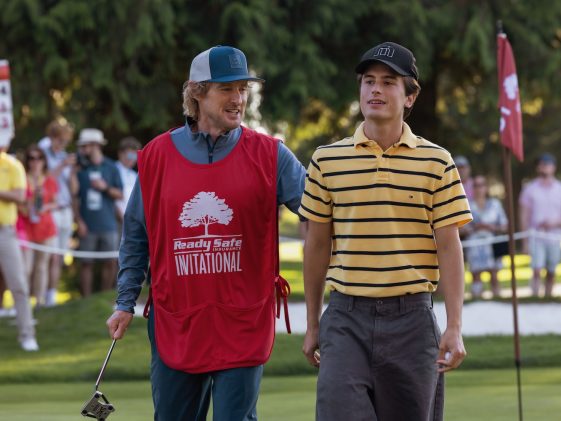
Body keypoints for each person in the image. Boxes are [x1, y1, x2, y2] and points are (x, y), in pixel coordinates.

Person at [106, 45, 306, 420]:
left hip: (244, 320)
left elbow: (321, 210)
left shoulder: (271, 155)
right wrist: (124, 302)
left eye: (243, 88)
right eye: (226, 89)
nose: (238, 98)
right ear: (197, 92)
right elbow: (136, 237)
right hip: (177, 320)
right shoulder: (155, 156)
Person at [299, 41, 472, 421]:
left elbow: (449, 247)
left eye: (388, 82)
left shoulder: (438, 162)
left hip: (413, 322)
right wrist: (312, 324)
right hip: (345, 318)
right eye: (369, 81)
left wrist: (455, 326)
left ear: (410, 97)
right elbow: (316, 246)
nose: (375, 89)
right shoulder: (326, 161)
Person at [73, 128, 123, 297]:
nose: (82, 149)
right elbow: (74, 197)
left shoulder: (111, 167)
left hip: (108, 223)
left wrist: (105, 187)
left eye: (85, 146)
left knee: (110, 261)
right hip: (87, 224)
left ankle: (105, 296)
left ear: (95, 146)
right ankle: (87, 300)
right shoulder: (80, 168)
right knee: (86, 263)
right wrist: (79, 221)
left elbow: (120, 194)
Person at [0, 141, 39, 351]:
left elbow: (20, 196)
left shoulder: (13, 165)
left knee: (19, 284)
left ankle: (27, 335)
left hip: (5, 231)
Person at [39, 120, 76, 307]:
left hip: (66, 208)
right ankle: (42, 295)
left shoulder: (63, 155)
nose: (63, 144)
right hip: (51, 210)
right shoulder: (43, 153)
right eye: (61, 140)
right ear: (53, 137)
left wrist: (73, 171)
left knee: (60, 256)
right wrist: (62, 165)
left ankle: (51, 296)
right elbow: (45, 179)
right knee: (50, 256)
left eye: (66, 140)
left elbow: (73, 189)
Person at [19, 145, 59, 306]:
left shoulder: (49, 180)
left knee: (42, 266)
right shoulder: (22, 179)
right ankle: (23, 302)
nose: (35, 162)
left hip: (46, 228)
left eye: (39, 158)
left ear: (44, 161)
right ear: (27, 161)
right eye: (31, 158)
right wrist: (29, 203)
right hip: (26, 228)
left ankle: (39, 301)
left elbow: (55, 202)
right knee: (26, 268)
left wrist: (45, 207)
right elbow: (19, 204)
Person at [519, 153, 561, 297]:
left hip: (554, 237)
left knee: (551, 270)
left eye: (547, 165)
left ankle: (548, 296)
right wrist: (524, 241)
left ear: (553, 167)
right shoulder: (530, 189)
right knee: (536, 269)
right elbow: (524, 216)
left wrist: (554, 222)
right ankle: (535, 296)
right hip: (536, 236)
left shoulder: (559, 188)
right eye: (542, 165)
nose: (544, 167)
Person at [462, 175, 508, 298]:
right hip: (474, 244)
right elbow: (461, 228)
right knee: (476, 275)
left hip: (492, 243)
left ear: (486, 187)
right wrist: (474, 228)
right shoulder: (466, 205)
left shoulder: (495, 204)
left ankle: (497, 300)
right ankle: (476, 300)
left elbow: (504, 225)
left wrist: (492, 227)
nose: (479, 188)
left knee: (494, 274)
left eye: (481, 185)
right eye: (476, 185)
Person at [115, 136, 142, 222]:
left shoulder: (134, 175)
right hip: (117, 219)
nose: (133, 159)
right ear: (120, 153)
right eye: (131, 155)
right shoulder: (113, 170)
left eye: (135, 156)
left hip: (131, 221)